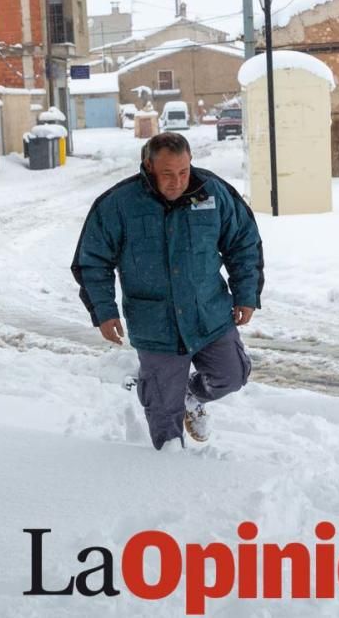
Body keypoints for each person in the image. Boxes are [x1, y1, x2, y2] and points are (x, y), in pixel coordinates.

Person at [71, 132, 264, 450]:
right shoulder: (119, 204)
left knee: (232, 375)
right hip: (155, 325)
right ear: (148, 167)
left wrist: (246, 293)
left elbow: (243, 242)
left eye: (184, 172)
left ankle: (191, 395)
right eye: (167, 174)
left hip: (210, 315)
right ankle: (169, 481)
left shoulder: (211, 193)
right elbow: (92, 262)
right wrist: (104, 312)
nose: (177, 182)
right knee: (163, 414)